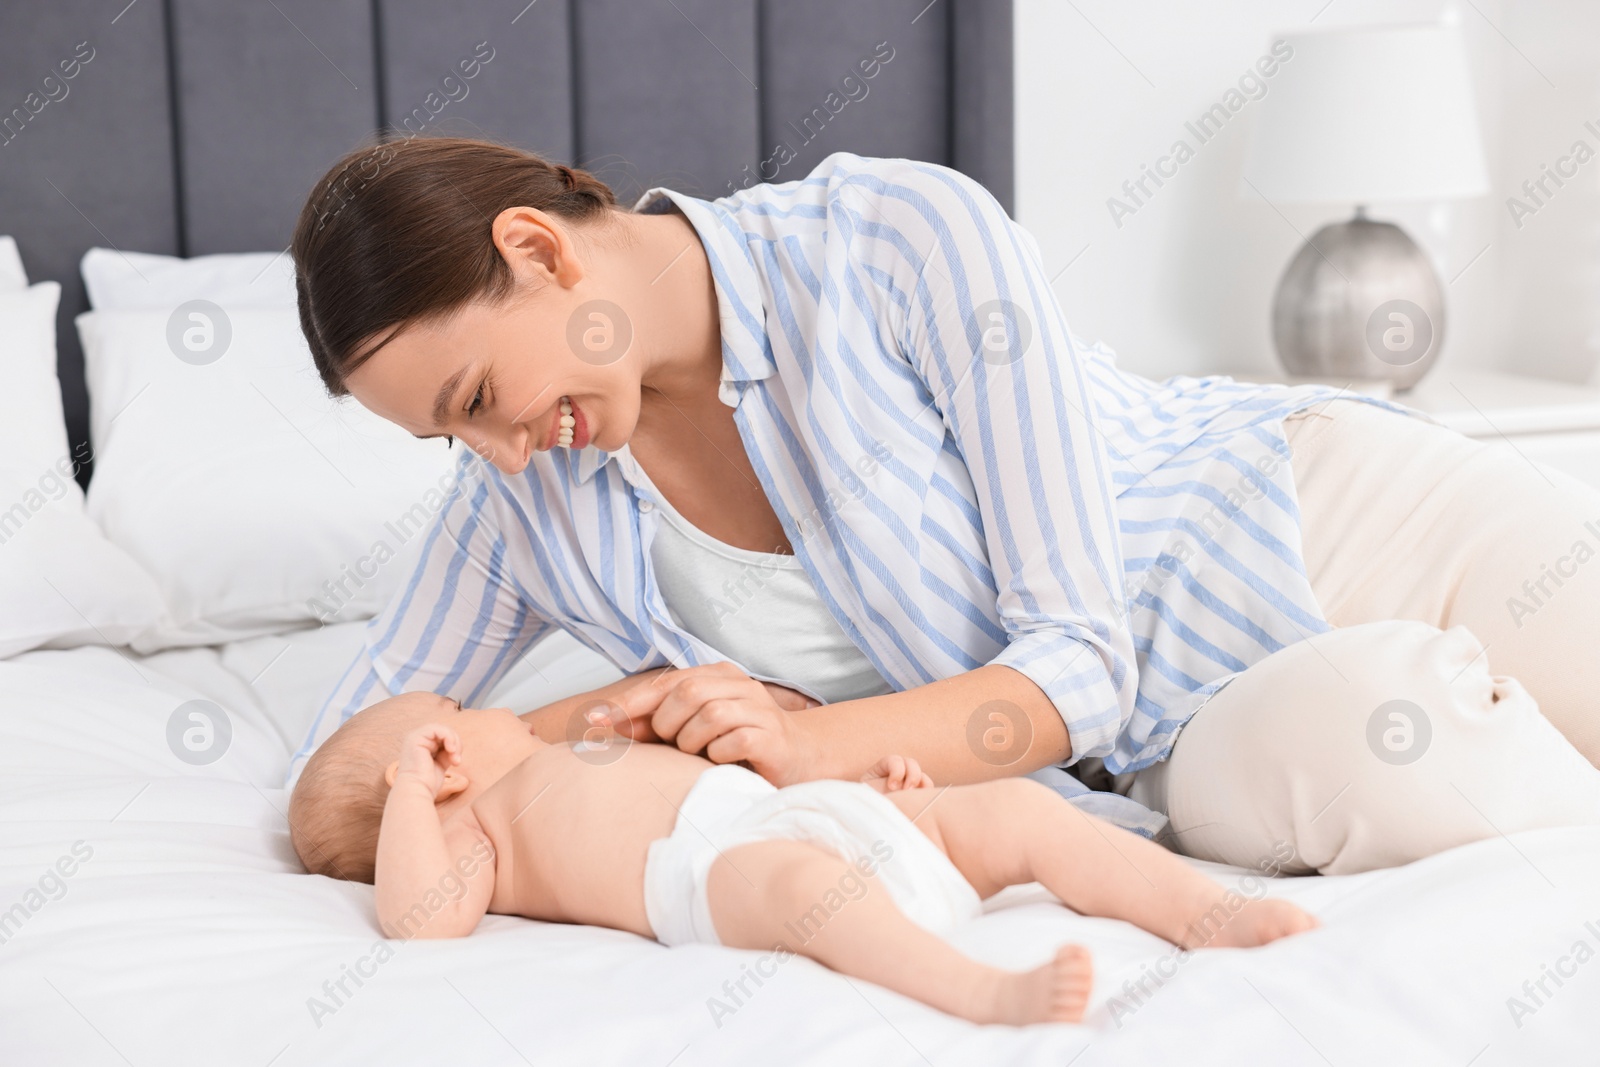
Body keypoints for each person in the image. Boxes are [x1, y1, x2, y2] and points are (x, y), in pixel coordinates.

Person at [287, 135, 1600, 876]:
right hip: (1178, 737)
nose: (499, 453)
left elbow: (1078, 657)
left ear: (536, 247)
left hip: (1331, 516)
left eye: (474, 395)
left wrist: (806, 740)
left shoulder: (897, 239)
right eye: (449, 436)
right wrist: (587, 720)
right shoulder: (520, 499)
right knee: (1411, 750)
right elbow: (341, 780)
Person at [288, 690, 1318, 1025]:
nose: (481, 712)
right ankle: (979, 990)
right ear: (431, 771)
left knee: (1009, 809)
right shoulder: (472, 826)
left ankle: (1199, 909)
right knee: (788, 885)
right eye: (449, 717)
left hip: (807, 809)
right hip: (712, 877)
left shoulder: (561, 745)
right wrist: (414, 800)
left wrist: (871, 804)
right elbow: (424, 919)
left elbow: (740, 765)